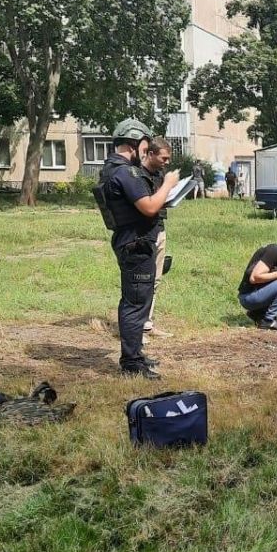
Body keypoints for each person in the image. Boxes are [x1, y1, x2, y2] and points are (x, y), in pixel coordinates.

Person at [101, 119, 179, 378]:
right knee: (135, 303)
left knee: (139, 300)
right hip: (136, 244)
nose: (146, 152)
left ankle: (135, 355)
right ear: (134, 143)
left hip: (135, 242)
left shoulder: (116, 170)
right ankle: (131, 364)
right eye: (145, 146)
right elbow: (148, 207)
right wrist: (168, 184)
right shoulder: (124, 172)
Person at [141, 138, 174, 340]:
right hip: (143, 234)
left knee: (155, 280)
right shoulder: (137, 175)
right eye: (164, 158)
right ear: (151, 154)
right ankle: (135, 329)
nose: (167, 162)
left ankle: (147, 324)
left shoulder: (159, 175)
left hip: (159, 229)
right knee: (141, 282)